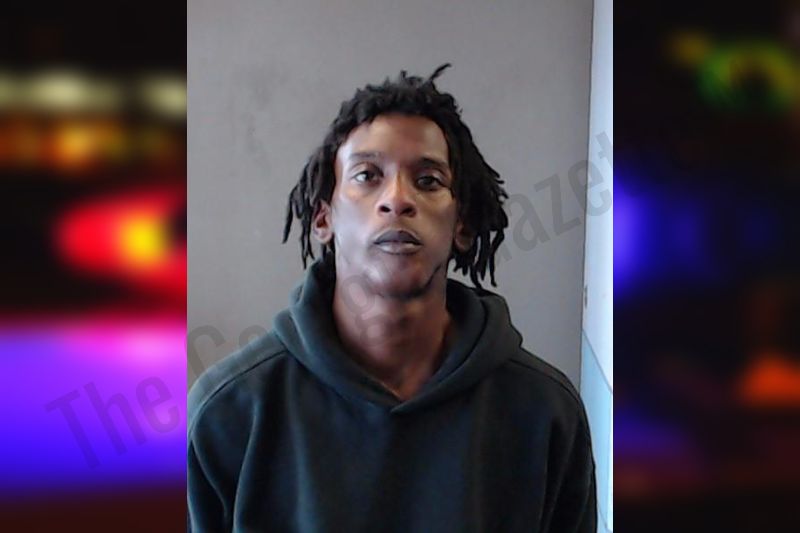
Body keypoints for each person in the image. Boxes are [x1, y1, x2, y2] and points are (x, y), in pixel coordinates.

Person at [187, 64, 596, 532]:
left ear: (462, 224)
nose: (397, 199)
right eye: (367, 175)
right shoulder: (228, 413)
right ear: (323, 219)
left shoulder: (545, 413)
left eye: (428, 181)